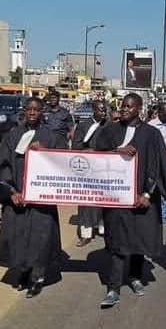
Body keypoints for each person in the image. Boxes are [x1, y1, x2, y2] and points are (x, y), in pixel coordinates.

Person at [92, 93, 166, 308]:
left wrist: (147, 194)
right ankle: (113, 288)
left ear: (139, 109)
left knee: (138, 240)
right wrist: (116, 150)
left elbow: (157, 165)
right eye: (123, 105)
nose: (125, 109)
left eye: (130, 106)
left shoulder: (151, 134)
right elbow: (96, 156)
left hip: (142, 197)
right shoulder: (110, 130)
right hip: (117, 198)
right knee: (117, 243)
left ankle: (135, 276)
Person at [0, 97, 62, 298]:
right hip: (17, 195)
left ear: (42, 112)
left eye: (36, 110)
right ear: (24, 111)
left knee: (40, 237)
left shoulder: (51, 137)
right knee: (18, 236)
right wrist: (11, 192)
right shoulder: (12, 135)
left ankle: (37, 277)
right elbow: (3, 166)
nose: (32, 113)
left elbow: (61, 165)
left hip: (41, 199)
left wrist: (45, 152)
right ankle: (22, 271)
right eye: (29, 109)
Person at [72, 100, 108, 246]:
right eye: (100, 110)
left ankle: (103, 229)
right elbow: (75, 146)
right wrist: (87, 151)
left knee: (104, 199)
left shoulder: (109, 126)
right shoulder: (83, 125)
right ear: (94, 110)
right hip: (87, 169)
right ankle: (86, 234)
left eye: (105, 110)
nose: (103, 112)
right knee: (87, 202)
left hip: (104, 168)